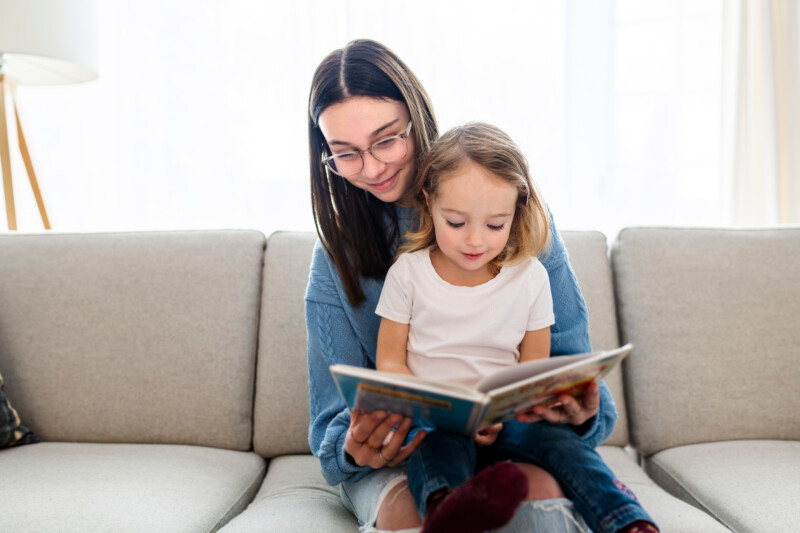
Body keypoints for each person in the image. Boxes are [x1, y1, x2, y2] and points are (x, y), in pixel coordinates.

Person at [305, 38, 616, 532]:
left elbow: (586, 392)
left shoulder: (511, 224)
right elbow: (328, 434)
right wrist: (356, 442)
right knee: (417, 509)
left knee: (535, 504)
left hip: (507, 439)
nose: (371, 168)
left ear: (417, 118)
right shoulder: (335, 258)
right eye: (345, 153)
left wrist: (576, 409)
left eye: (387, 140)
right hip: (402, 459)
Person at [374, 122, 658, 533]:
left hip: (509, 424)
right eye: (455, 223)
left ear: (516, 213)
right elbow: (389, 361)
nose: (475, 240)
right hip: (441, 421)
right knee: (432, 448)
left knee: (563, 445)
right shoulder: (409, 273)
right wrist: (442, 405)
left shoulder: (530, 278)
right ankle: (447, 512)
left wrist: (518, 408)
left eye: (494, 225)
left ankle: (627, 522)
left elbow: (532, 373)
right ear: (427, 202)